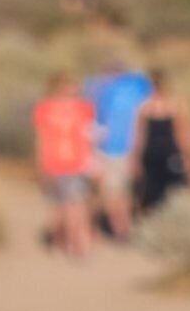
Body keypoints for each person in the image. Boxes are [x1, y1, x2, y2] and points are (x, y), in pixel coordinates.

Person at [82, 56, 152, 242]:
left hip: (110, 148)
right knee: (123, 191)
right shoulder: (139, 86)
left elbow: (95, 120)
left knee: (111, 192)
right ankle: (123, 227)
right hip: (134, 149)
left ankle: (119, 229)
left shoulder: (102, 89)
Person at [30, 72, 96, 260]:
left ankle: (78, 242)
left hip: (78, 163)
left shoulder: (84, 108)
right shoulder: (44, 108)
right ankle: (70, 241)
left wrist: (93, 163)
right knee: (63, 205)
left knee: (77, 204)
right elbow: (41, 139)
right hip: (55, 163)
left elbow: (89, 136)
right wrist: (40, 165)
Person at [130, 76, 190, 221]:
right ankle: (154, 226)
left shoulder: (175, 105)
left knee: (177, 192)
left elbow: (184, 134)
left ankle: (174, 223)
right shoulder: (144, 107)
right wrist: (135, 160)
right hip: (151, 157)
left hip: (171, 155)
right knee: (151, 195)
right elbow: (139, 136)